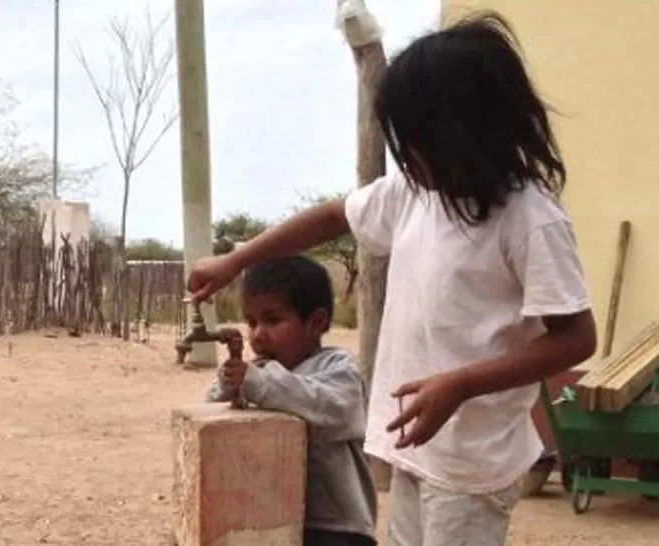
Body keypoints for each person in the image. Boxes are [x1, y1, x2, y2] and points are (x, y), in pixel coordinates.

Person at [190, 11, 597, 546]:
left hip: (470, 460)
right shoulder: (414, 194)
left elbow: (575, 338)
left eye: (420, 142)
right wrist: (238, 259)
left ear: (469, 132)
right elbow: (335, 216)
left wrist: (461, 384)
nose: (411, 158)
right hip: (411, 440)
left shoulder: (529, 219)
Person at [205, 255, 378, 546]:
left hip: (334, 525)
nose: (258, 334)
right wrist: (226, 385)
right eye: (251, 322)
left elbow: (333, 411)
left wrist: (257, 383)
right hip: (274, 514)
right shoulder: (260, 372)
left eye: (272, 320)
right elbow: (212, 413)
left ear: (316, 323)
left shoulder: (337, 367)